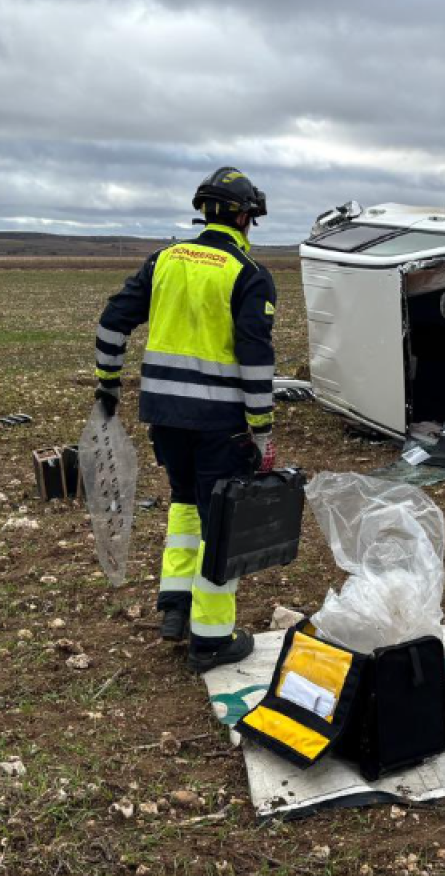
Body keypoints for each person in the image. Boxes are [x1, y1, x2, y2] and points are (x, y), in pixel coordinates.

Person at [92, 167, 276, 673]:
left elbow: (112, 322)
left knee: (186, 505)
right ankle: (211, 640)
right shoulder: (248, 273)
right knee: (223, 526)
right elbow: (255, 356)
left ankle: (175, 609)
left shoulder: (165, 261)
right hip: (222, 425)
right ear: (244, 217)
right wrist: (262, 428)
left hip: (165, 418)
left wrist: (108, 383)